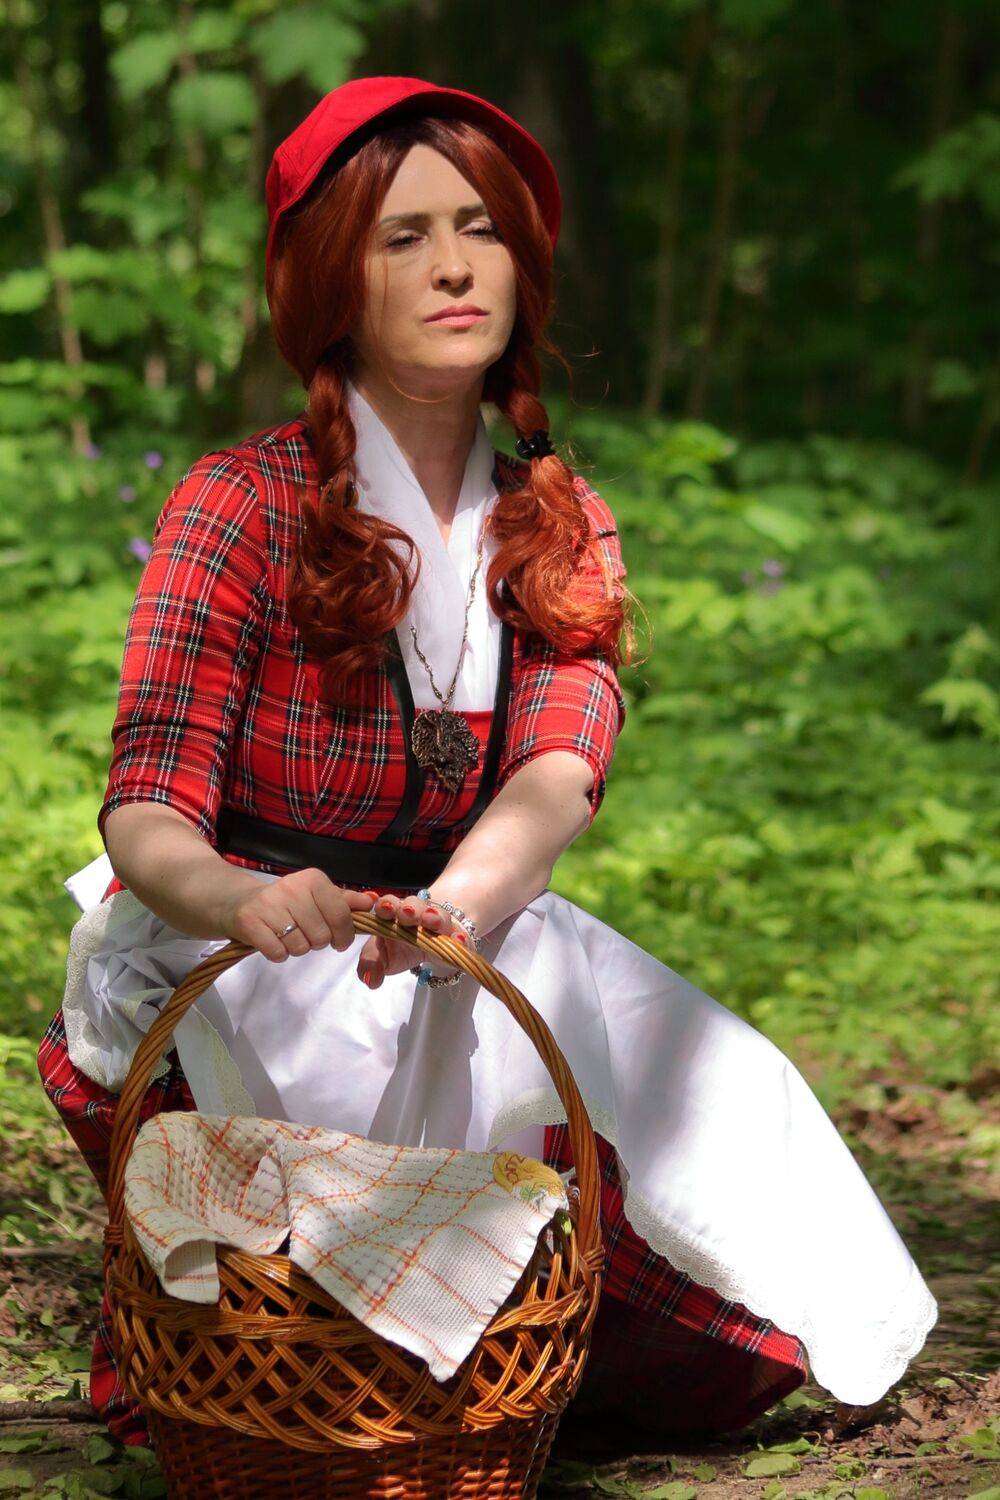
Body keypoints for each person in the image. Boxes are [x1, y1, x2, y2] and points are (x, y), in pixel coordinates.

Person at [38, 76, 936, 1451]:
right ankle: (327, 1394)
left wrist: (452, 912)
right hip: (249, 937)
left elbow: (556, 771)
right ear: (332, 282)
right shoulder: (238, 505)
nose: (456, 266)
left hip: (458, 915)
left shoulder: (558, 518)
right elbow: (150, 804)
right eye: (403, 238)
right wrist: (241, 901)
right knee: (329, 1131)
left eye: (481, 230)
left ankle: (530, 1374)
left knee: (688, 1072)